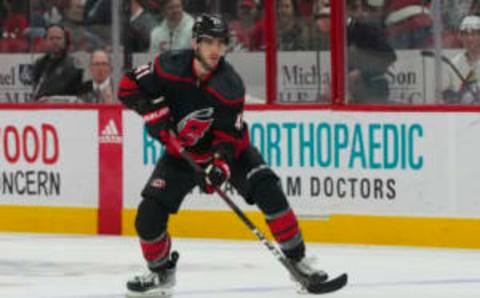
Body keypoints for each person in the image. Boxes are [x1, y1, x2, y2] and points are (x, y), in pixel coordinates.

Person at [118, 14, 327, 297]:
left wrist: (220, 165)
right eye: (208, 43)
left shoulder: (230, 85)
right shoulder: (167, 66)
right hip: (182, 155)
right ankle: (160, 272)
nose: (215, 50)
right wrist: (150, 111)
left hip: (233, 153)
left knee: (268, 190)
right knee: (147, 218)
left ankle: (298, 259)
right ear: (195, 43)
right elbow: (127, 87)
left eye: (220, 43)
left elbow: (228, 138)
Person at [346, 0, 397, 104]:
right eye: (354, 8)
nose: (360, 11)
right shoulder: (346, 30)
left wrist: (361, 72)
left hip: (373, 88)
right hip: (355, 90)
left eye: (362, 7)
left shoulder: (367, 29)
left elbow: (389, 57)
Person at [32, 23, 83, 102]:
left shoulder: (74, 65)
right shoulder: (40, 63)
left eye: (58, 38)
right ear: (45, 40)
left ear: (65, 41)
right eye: (51, 38)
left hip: (66, 111)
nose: (55, 42)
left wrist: (53, 100)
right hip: (43, 110)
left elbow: (79, 97)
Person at [442, 15, 480, 104]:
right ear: (461, 37)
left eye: (474, 33)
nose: (469, 38)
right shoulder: (453, 64)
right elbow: (446, 99)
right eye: (465, 34)